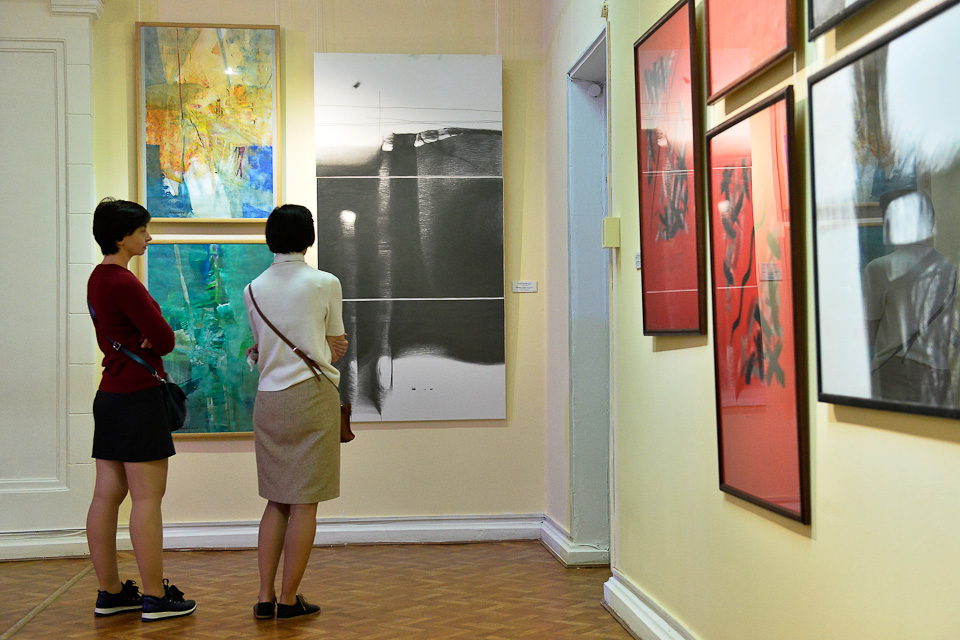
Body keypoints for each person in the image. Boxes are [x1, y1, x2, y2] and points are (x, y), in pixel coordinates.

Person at [86, 198, 197, 621]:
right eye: (142, 230)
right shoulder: (124, 281)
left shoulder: (98, 278)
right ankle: (154, 595)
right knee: (147, 499)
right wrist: (155, 329)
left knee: (105, 496)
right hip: (138, 397)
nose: (148, 237)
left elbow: (149, 334)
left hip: (110, 396)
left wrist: (150, 330)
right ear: (122, 237)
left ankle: (110, 592)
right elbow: (165, 340)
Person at [243, 204, 348, 620]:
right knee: (305, 503)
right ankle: (289, 600)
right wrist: (328, 349)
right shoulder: (325, 283)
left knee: (276, 500)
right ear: (309, 237)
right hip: (311, 396)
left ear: (270, 237)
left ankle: (264, 597)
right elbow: (336, 344)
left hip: (269, 399)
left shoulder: (252, 288)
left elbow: (262, 347)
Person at [862, 190, 958, 407]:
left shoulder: (879, 269)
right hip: (938, 373)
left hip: (894, 372)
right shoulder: (947, 268)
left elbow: (868, 335)